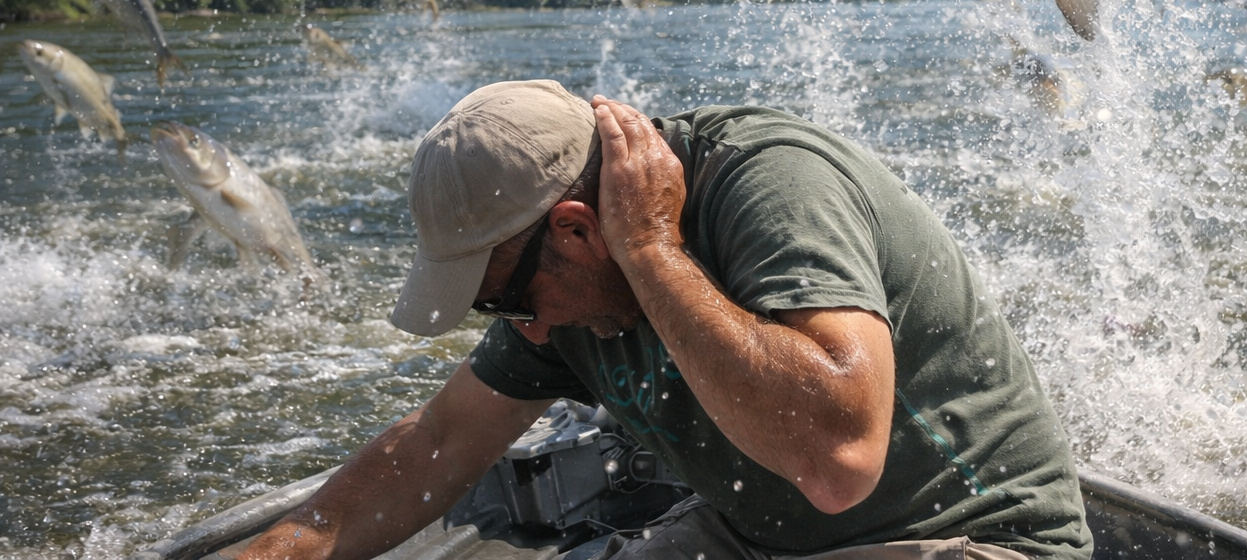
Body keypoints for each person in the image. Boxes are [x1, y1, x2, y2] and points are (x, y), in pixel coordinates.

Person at [239, 80, 1091, 560]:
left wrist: (649, 250)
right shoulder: (562, 282)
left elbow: (838, 456)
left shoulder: (769, 183)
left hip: (970, 545)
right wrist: (287, 545)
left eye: (505, 302)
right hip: (754, 544)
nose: (524, 333)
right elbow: (437, 444)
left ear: (577, 232)